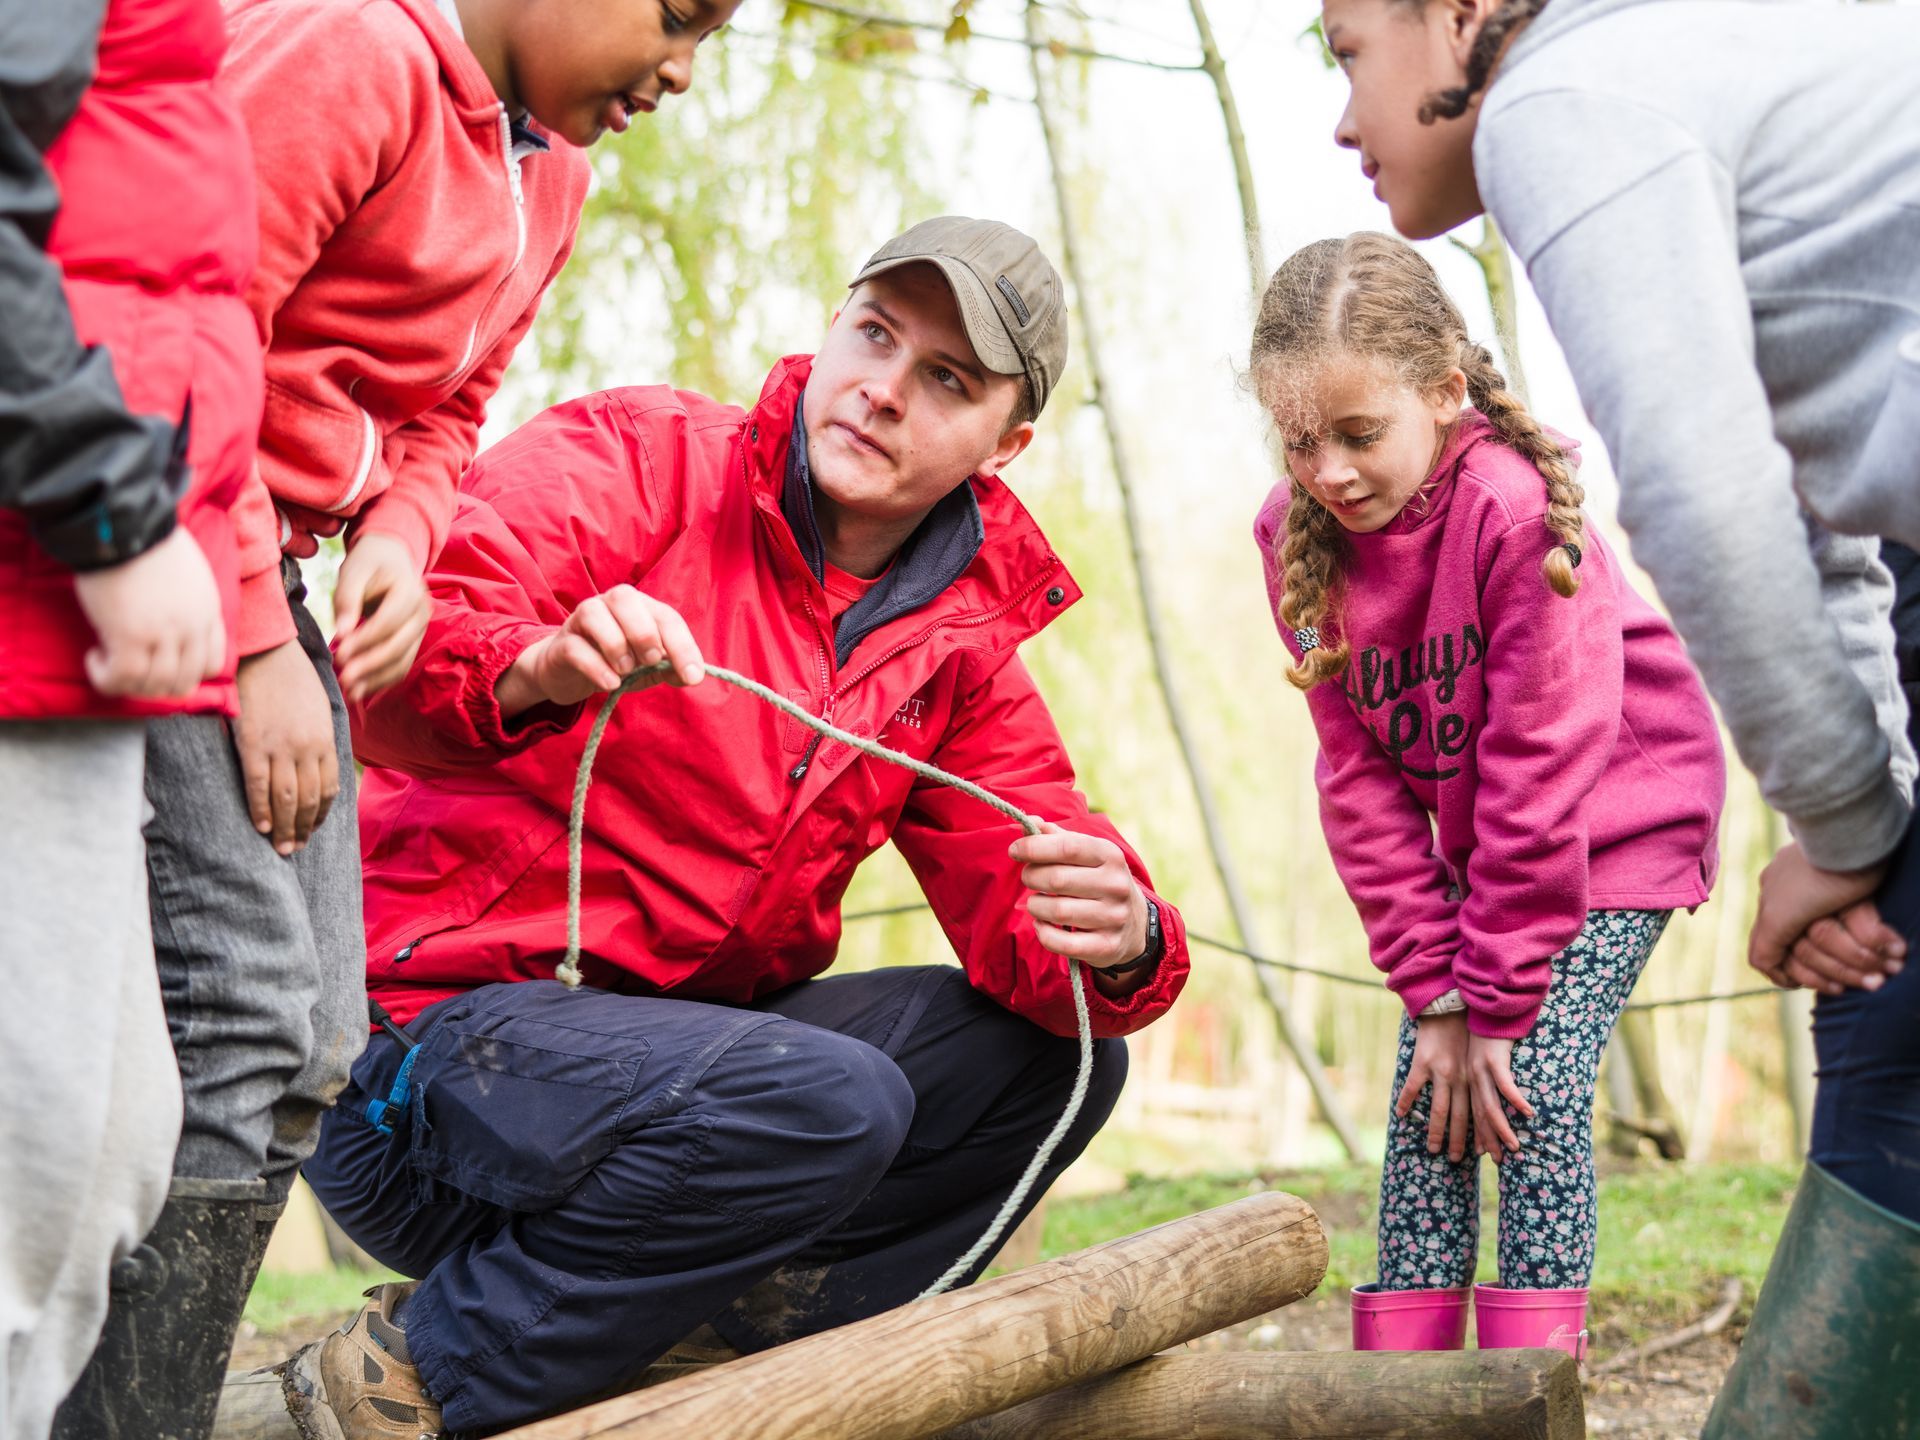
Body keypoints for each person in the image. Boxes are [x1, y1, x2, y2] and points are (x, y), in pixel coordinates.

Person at [262, 216, 1193, 1439]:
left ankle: (716, 1343)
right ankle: (422, 1371)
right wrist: (537, 668)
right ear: (836, 323)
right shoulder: (638, 459)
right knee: (832, 1098)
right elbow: (380, 678)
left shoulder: (958, 650)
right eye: (875, 334)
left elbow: (1044, 903)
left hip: (677, 1103)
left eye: (947, 379)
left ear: (1004, 443)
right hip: (419, 1066)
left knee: (1059, 1065)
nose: (883, 390)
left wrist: (1122, 937)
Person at [97, 0, 739, 1425]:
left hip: (283, 576)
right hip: (173, 553)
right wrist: (262, 632)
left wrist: (397, 524)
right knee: (247, 1017)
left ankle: (155, 1401)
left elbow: (454, 406)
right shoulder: (359, 54)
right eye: (677, 15)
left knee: (318, 1035)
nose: (682, 68)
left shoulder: (549, 173)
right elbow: (180, 325)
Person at [1312, 0, 1920, 1427]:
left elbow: (1708, 507)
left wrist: (1835, 824)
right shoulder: (1689, 70)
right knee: (1887, 1024)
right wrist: (1876, 818)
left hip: (1622, 842)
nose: (1344, 116)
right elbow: (1823, 515)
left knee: (1884, 1051)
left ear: (1458, 16)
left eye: (1346, 50)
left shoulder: (1566, 95)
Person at [1250, 233, 1724, 1360]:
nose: (1330, 472)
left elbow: (1540, 767)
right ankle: (1407, 1407)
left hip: (1617, 822)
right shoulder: (1294, 540)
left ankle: (1526, 1394)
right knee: (1432, 1102)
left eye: (1360, 435)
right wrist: (1438, 993)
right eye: (1301, 441)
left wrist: (1495, 1000)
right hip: (1495, 851)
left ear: (1446, 392)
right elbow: (1356, 782)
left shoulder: (1510, 515)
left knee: (1534, 1091)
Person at [0, 0, 239, 1434]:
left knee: (109, 1151)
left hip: (65, 615)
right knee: (39, 1174)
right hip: (44, 581)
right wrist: (111, 506)